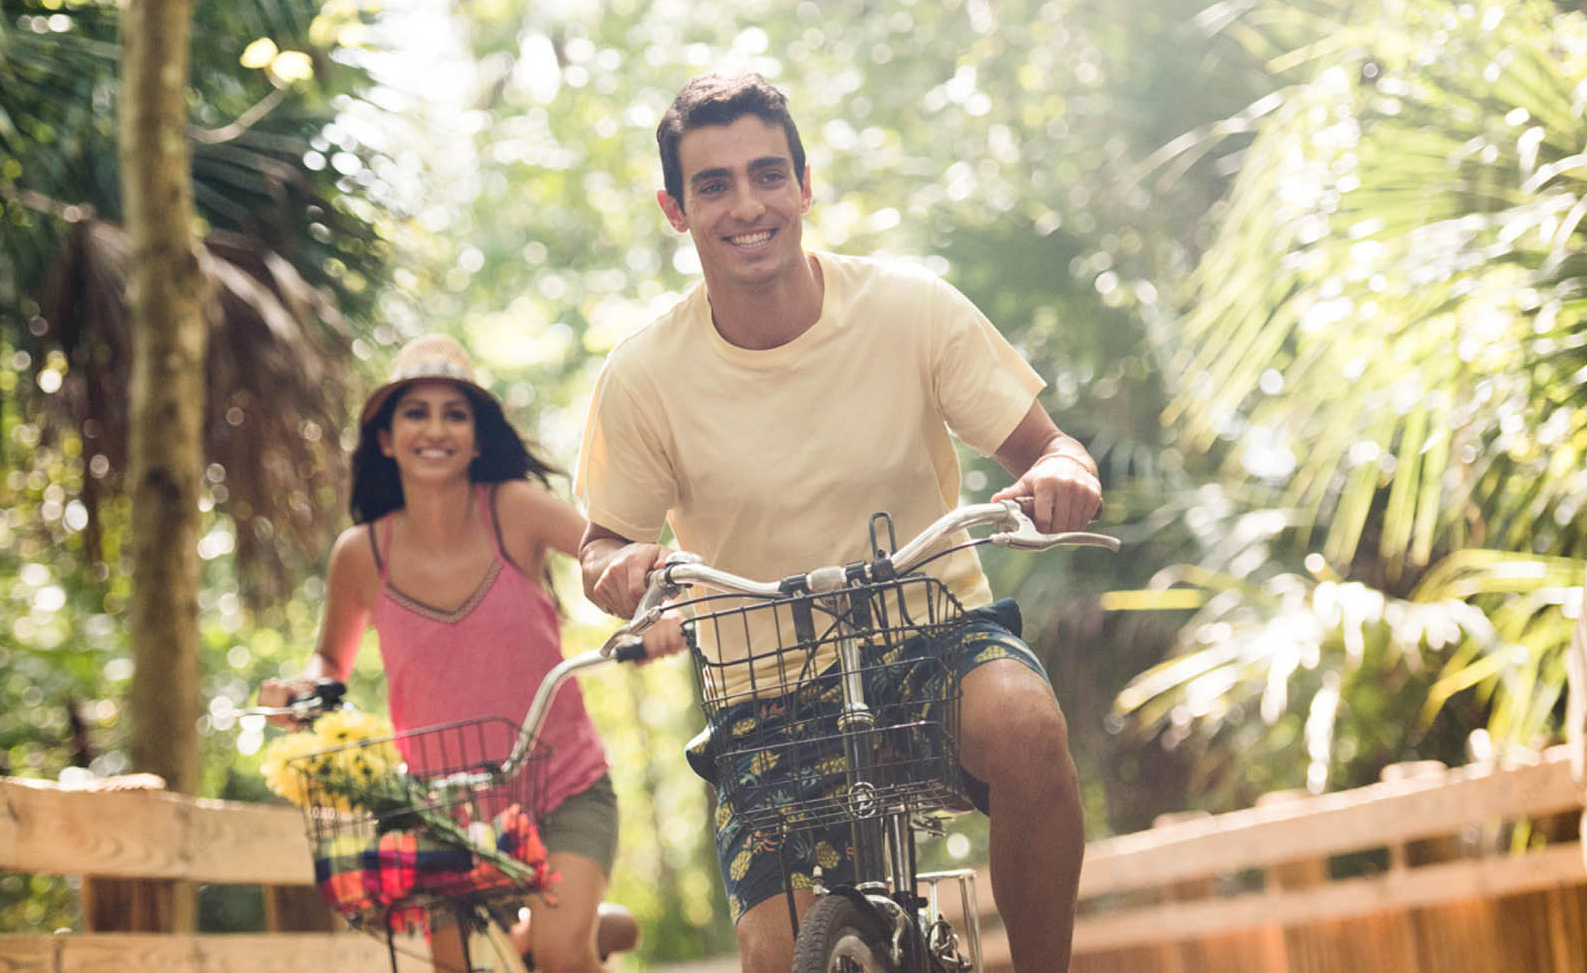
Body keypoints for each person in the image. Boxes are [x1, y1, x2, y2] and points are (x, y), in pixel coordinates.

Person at [574, 72, 1103, 973]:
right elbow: (601, 547)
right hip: (762, 696)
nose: (749, 205)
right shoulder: (643, 377)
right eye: (714, 185)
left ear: (805, 185)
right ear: (676, 209)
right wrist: (618, 571)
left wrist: (1062, 476)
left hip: (932, 639)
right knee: (778, 956)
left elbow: (1053, 449)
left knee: (1026, 726)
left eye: (769, 174)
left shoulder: (908, 307)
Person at [260, 333, 679, 973]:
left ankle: (570, 935)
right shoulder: (360, 554)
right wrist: (299, 691)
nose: (435, 429)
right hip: (445, 811)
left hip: (562, 784)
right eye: (415, 412)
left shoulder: (515, 512)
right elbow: (329, 664)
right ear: (384, 437)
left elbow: (616, 558)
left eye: (455, 413)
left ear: (478, 438)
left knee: (563, 958)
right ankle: (575, 931)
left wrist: (655, 614)